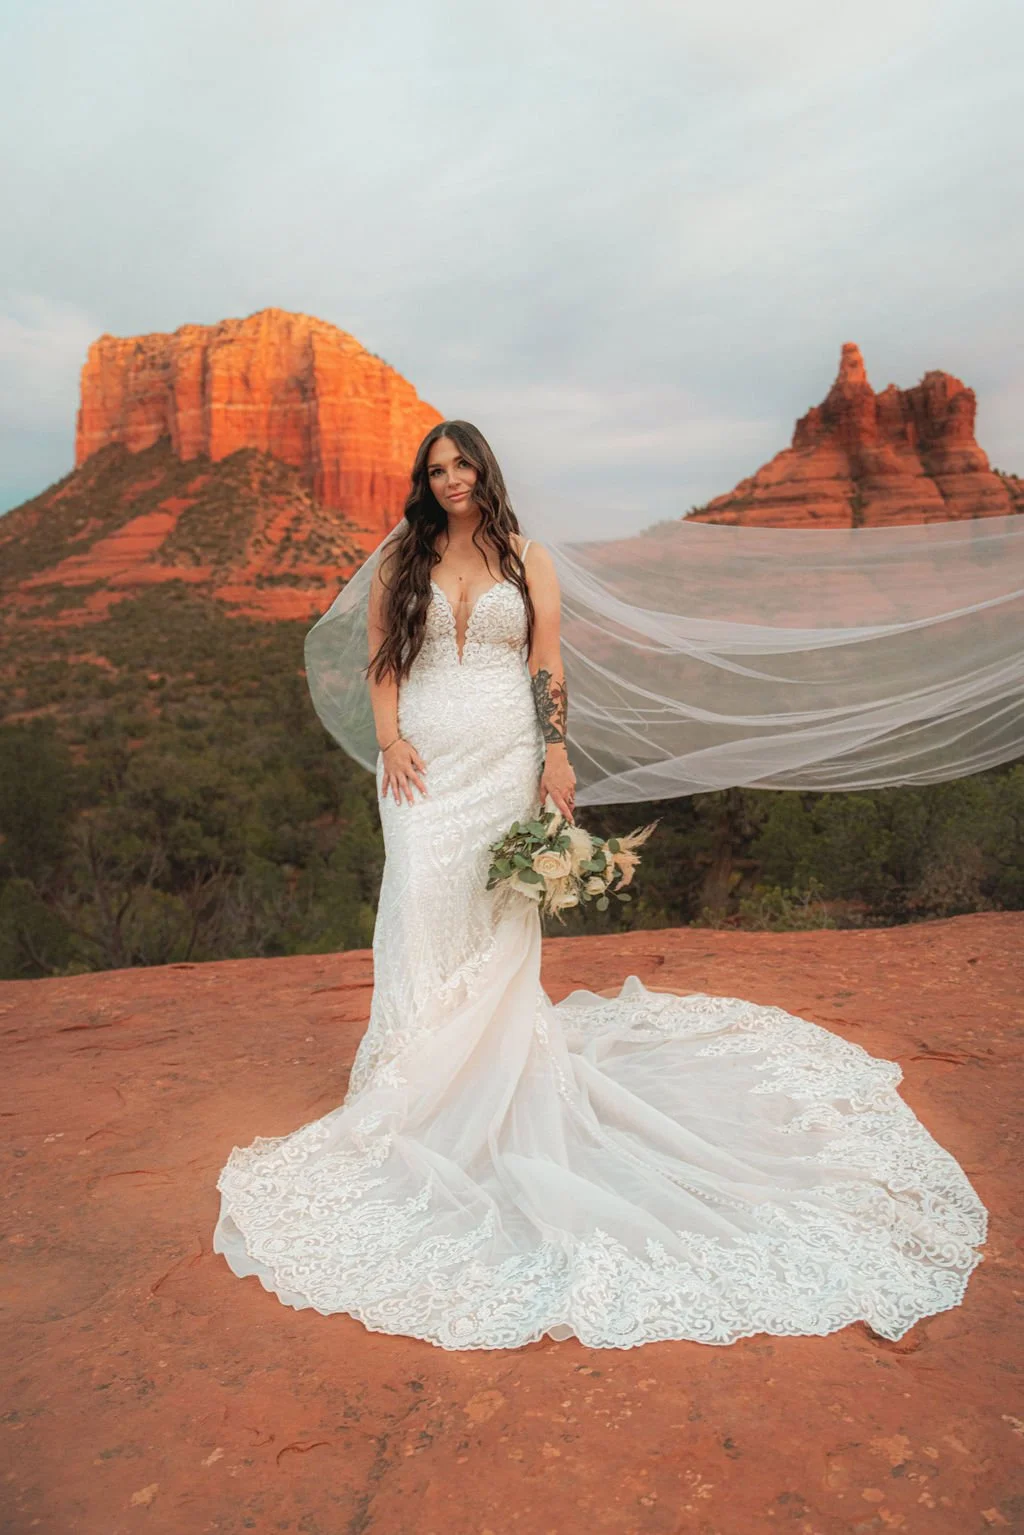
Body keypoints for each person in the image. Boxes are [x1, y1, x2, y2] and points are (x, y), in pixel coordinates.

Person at [212, 421, 987, 1350]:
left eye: (462, 465)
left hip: (503, 752)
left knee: (494, 909)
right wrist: (390, 739)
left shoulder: (528, 557)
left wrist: (555, 752)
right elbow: (382, 658)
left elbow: (546, 662)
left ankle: (476, 1078)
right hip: (422, 759)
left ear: (485, 469)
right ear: (423, 482)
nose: (451, 479)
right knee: (420, 898)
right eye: (436, 469)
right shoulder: (402, 560)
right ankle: (409, 1070)